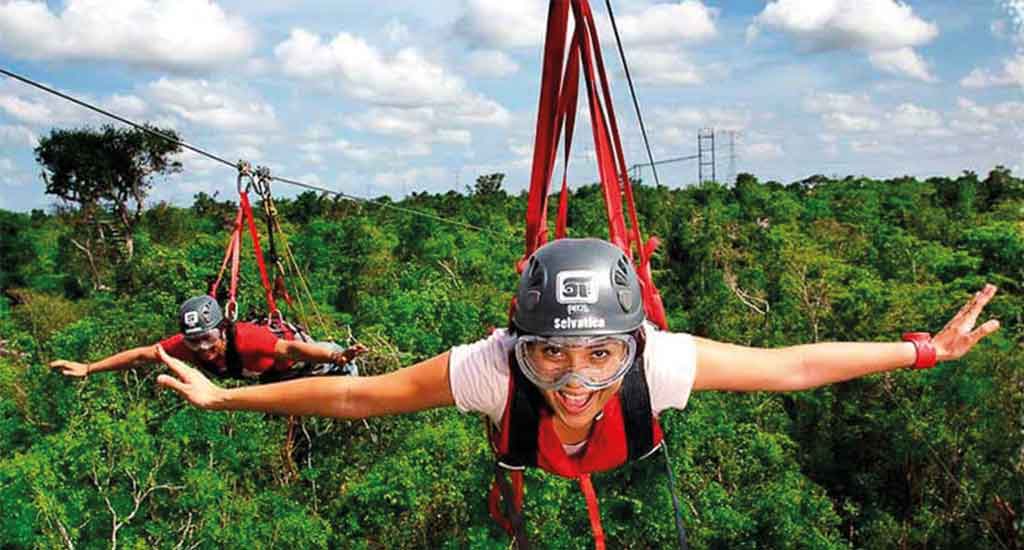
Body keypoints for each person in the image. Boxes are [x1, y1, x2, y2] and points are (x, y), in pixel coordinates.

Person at [152, 239, 1000, 548]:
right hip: (543, 455)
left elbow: (791, 367)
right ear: (517, 346)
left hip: (609, 450)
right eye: (549, 354)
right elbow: (357, 397)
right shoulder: (493, 369)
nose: (574, 379)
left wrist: (925, 350)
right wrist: (224, 400)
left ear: (633, 345)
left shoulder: (657, 365)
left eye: (601, 354)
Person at [50, 294, 367, 381]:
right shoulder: (186, 347)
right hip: (275, 378)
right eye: (194, 341)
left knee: (345, 380)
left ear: (223, 329)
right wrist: (89, 368)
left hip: (308, 362)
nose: (203, 349)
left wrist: (336, 356)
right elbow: (141, 356)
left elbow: (293, 349)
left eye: (209, 338)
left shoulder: (248, 338)